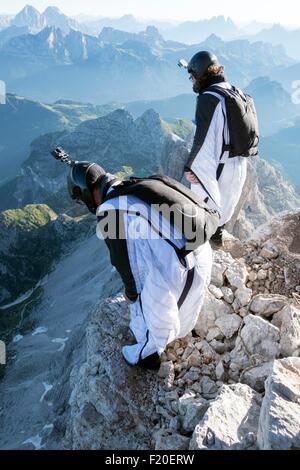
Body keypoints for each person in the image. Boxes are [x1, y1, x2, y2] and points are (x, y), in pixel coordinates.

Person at [53, 148, 216, 370]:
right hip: (204, 258)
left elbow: (126, 266)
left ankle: (148, 354)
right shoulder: (138, 185)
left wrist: (131, 295)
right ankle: (180, 325)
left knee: (140, 319)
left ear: (86, 194)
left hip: (180, 271)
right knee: (178, 315)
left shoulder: (110, 210)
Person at [179, 51, 259, 247]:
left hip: (220, 166)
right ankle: (215, 238)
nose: (192, 82)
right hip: (239, 164)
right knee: (223, 211)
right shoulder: (236, 92)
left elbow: (203, 140)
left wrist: (193, 168)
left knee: (202, 211)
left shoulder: (209, 98)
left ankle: (195, 253)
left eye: (192, 76)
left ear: (200, 74)